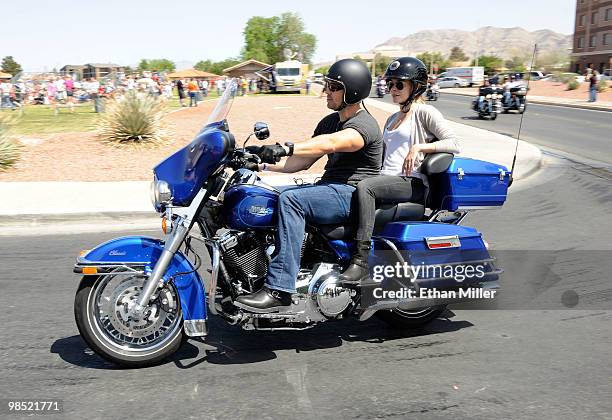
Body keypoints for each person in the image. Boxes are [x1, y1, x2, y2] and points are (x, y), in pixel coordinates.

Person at [235, 59, 383, 312]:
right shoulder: (329, 121)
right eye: (327, 85)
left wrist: (284, 147)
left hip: (353, 193)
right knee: (266, 196)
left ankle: (279, 288)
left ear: (353, 90)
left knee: (292, 200)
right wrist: (258, 163)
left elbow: (332, 144)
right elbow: (298, 164)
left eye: (334, 86)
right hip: (329, 188)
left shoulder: (364, 125)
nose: (326, 91)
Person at [339, 57, 461, 282]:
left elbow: (454, 143)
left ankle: (361, 259)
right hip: (388, 181)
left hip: (411, 183)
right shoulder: (392, 118)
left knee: (366, 187)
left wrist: (420, 147)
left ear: (415, 86)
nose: (392, 89)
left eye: (399, 84)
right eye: (390, 84)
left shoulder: (425, 112)